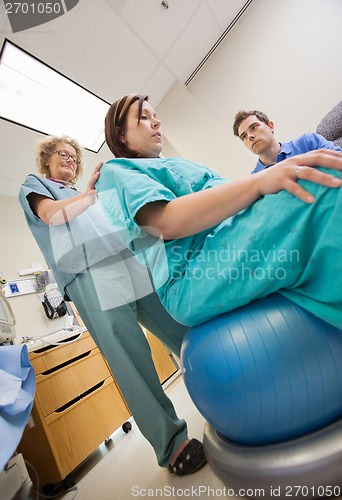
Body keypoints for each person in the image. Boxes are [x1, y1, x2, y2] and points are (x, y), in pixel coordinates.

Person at [18, 135, 207, 475]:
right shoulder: (36, 185)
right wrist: (88, 195)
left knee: (179, 325)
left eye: (74, 157)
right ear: (46, 159)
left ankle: (227, 389)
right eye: (62, 155)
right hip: (86, 271)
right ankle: (172, 444)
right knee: (128, 356)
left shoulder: (85, 194)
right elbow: (52, 217)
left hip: (125, 258)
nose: (70, 161)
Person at [95, 93, 342, 332]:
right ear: (121, 135)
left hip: (225, 239)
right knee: (324, 182)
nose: (157, 121)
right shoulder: (114, 171)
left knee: (320, 177)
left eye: (155, 115)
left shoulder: (171, 164)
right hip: (192, 274)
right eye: (144, 117)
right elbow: (165, 223)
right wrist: (260, 182)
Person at [232, 110, 342, 173]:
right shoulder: (255, 180)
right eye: (244, 136)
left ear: (270, 126)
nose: (250, 136)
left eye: (254, 127)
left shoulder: (308, 142)